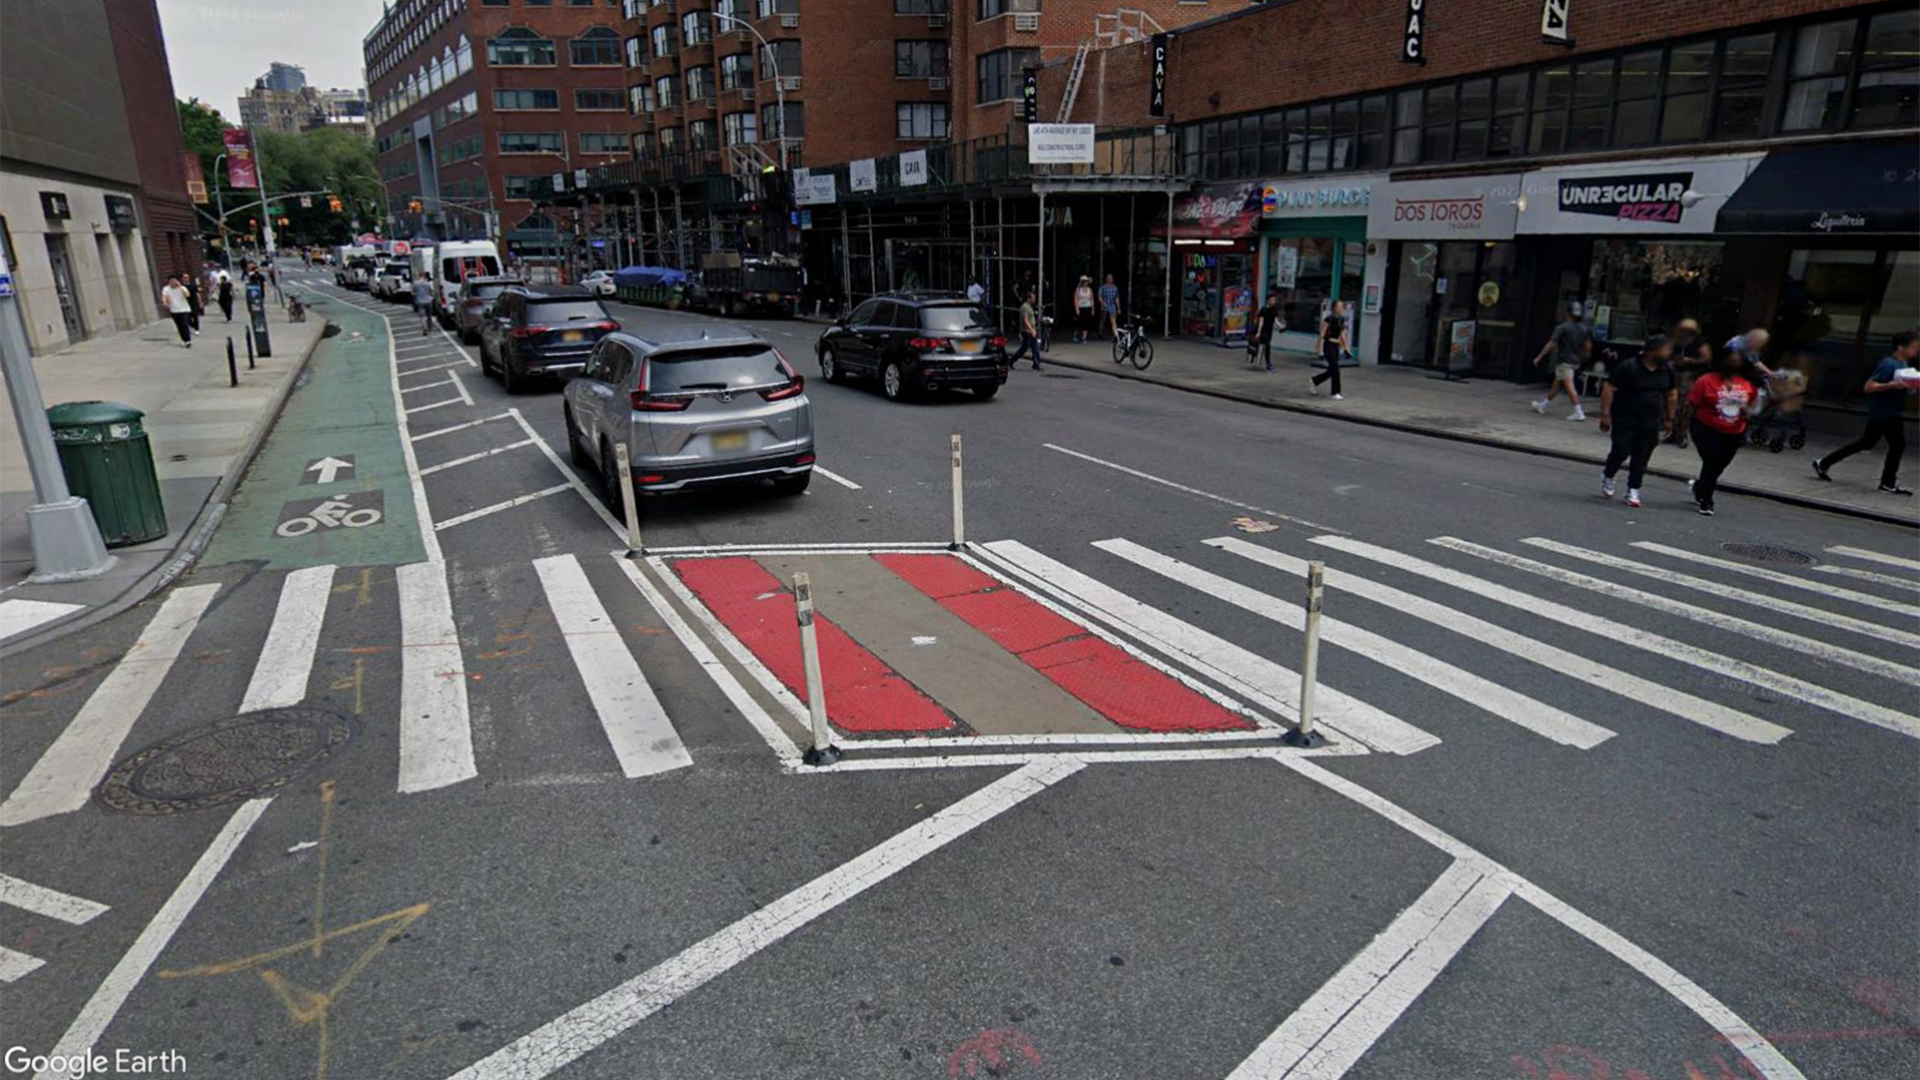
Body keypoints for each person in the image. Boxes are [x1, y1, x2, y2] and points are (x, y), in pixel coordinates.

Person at [1812, 329, 1918, 496]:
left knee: (1866, 443)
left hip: (1890, 411)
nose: (1916, 350)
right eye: (1913, 346)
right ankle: (1887, 483)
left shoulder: (1903, 365)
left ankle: (1824, 463)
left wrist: (1910, 388)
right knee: (1897, 445)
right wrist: (1891, 385)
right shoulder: (1888, 364)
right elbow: (1869, 387)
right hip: (1884, 412)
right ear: (1900, 347)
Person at [1598, 335, 1678, 509]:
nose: (1668, 353)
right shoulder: (1629, 367)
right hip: (1625, 418)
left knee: (1642, 455)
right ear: (1652, 351)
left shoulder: (1666, 370)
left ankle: (1633, 488)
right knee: (1621, 449)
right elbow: (1609, 388)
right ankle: (1609, 474)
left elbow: (1672, 394)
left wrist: (1669, 418)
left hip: (1651, 420)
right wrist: (1605, 414)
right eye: (1665, 349)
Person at [1685, 345, 1761, 516]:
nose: (1733, 364)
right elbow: (1693, 403)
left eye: (1737, 361)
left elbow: (1753, 404)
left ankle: (1700, 486)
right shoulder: (1706, 380)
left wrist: (1748, 414)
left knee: (1720, 464)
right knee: (1711, 461)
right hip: (1706, 428)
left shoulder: (1746, 384)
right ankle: (1707, 500)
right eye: (1730, 360)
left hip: (1734, 431)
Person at [1531, 302, 1591, 421]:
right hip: (1576, 362)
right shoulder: (1584, 328)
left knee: (1569, 385)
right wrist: (1583, 358)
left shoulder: (1562, 328)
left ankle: (1578, 411)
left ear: (1568, 313)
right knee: (1557, 384)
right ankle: (1543, 405)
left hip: (1565, 362)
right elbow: (1588, 346)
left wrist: (1539, 357)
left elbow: (1551, 344)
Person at [1664, 319, 1709, 447]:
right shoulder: (1677, 342)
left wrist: (1690, 361)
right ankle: (1673, 433)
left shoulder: (1699, 343)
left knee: (1686, 407)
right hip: (1677, 375)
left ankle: (1682, 434)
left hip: (1692, 377)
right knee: (1675, 405)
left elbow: (1706, 358)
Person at [1310, 300, 1349, 399]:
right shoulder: (1329, 319)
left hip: (1336, 345)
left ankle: (1315, 380)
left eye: (1342, 306)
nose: (1341, 308)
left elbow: (1342, 334)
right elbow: (1322, 332)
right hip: (1328, 345)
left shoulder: (1342, 319)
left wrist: (1346, 347)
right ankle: (1335, 392)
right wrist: (1318, 346)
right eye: (1339, 306)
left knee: (1333, 369)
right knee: (1335, 369)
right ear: (1334, 308)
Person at [1007, 288, 1042, 371]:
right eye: (1033, 298)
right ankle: (1011, 361)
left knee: (1035, 347)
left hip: (1031, 330)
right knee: (1024, 348)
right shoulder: (1025, 307)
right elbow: (1025, 320)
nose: (1034, 300)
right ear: (1028, 298)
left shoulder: (1029, 307)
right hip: (1027, 331)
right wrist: (1031, 330)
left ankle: (1036, 364)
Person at [1247, 295, 1279, 371]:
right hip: (1263, 331)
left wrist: (1280, 326)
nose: (1273, 301)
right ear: (1268, 300)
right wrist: (1258, 332)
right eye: (1272, 300)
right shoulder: (1264, 310)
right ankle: (1268, 363)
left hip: (1269, 330)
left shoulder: (1274, 309)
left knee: (1263, 346)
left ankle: (1257, 359)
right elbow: (1261, 321)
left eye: (1274, 300)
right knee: (1266, 346)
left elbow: (1276, 320)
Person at [160, 276, 193, 347]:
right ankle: (183, 339)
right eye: (172, 281)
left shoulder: (182, 288)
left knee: (184, 324)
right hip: (174, 310)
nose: (173, 283)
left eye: (175, 281)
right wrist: (164, 302)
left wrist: (180, 287)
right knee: (179, 326)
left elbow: (187, 295)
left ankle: (188, 340)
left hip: (184, 309)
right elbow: (164, 296)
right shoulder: (166, 289)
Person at [1072, 275, 1095, 344]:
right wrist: (1077, 309)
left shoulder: (1089, 290)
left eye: (1087, 282)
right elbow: (1075, 299)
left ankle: (1084, 338)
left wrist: (1093, 309)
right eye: (1084, 282)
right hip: (1080, 307)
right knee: (1079, 323)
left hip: (1087, 307)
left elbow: (1091, 299)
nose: (1086, 283)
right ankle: (1075, 335)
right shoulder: (1078, 289)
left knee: (1086, 324)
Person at [1098, 274, 1120, 340]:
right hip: (1105, 305)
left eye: (1111, 279)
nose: (1110, 280)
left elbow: (1117, 298)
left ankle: (1116, 335)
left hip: (1112, 305)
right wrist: (1102, 302)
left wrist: (1118, 307)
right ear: (1106, 279)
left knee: (1113, 321)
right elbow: (1099, 296)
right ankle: (1100, 333)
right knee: (1102, 320)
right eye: (1109, 279)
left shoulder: (1115, 287)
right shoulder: (1103, 287)